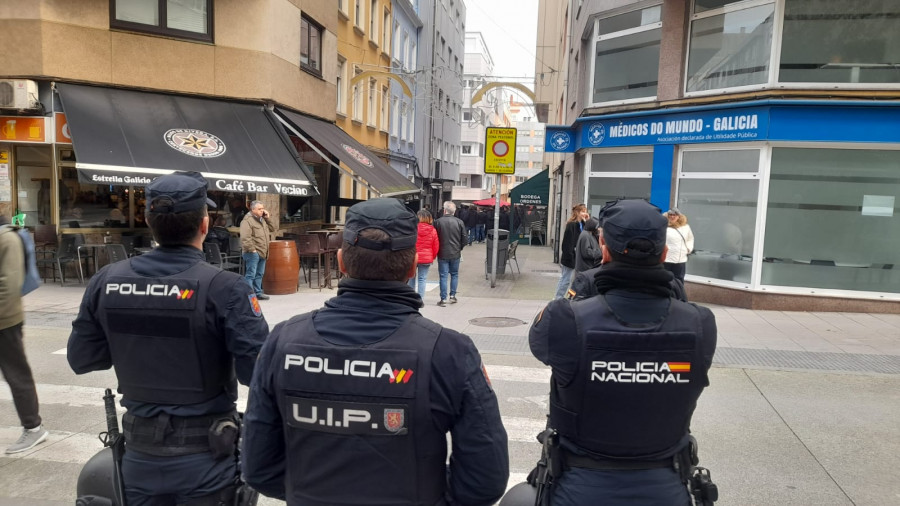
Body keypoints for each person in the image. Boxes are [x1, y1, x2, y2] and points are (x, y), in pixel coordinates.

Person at [241, 198, 510, 505]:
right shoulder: (449, 352)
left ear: (341, 262)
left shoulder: (283, 342)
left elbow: (259, 468)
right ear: (412, 267)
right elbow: (485, 480)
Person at [67, 171, 270, 505]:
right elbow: (257, 375)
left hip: (139, 459)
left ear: (150, 223)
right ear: (204, 225)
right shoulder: (226, 288)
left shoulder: (107, 280)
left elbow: (82, 358)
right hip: (207, 463)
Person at [528, 199, 717, 506]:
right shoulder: (701, 324)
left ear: (603, 249)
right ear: (665, 254)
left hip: (579, 489)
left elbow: (541, 343)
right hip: (666, 487)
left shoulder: (564, 320)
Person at [0, 215, 48, 454]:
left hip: (4, 321)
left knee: (16, 374)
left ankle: (33, 427)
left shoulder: (6, 238)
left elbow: (9, 285)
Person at [433, 201, 467, 307]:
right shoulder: (459, 222)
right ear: (454, 211)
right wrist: (459, 248)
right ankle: (452, 296)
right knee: (454, 274)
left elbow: (434, 238)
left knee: (443, 276)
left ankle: (443, 299)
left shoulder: (437, 222)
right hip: (455, 253)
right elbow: (465, 238)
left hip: (442, 252)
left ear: (444, 210)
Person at [240, 200, 275, 300]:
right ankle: (249, 295)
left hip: (263, 251)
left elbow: (273, 229)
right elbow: (245, 238)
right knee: (251, 274)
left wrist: (268, 219)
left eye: (263, 208)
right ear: (253, 209)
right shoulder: (247, 221)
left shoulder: (262, 219)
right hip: (253, 252)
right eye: (259, 209)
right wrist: (253, 250)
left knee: (259, 274)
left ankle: (258, 293)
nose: (262, 210)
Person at [554, 204, 587, 299]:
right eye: (582, 211)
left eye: (585, 211)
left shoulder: (582, 224)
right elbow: (567, 244)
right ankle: (558, 298)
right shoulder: (571, 225)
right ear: (577, 212)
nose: (584, 213)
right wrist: (571, 257)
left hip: (577, 257)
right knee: (566, 279)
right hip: (570, 258)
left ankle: (569, 298)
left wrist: (587, 220)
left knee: (572, 280)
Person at [409, 209, 439, 301]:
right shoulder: (433, 230)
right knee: (422, 278)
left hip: (413, 257)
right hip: (426, 258)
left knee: (411, 277)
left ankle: (410, 298)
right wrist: (432, 257)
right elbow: (436, 245)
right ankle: (420, 299)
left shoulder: (412, 229)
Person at [664, 208, 695, 284]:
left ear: (679, 216)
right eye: (670, 215)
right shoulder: (663, 226)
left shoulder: (686, 227)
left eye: (674, 215)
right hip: (667, 260)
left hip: (681, 260)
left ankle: (678, 295)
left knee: (679, 281)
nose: (672, 217)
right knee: (665, 281)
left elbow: (690, 238)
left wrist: (688, 248)